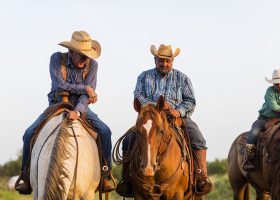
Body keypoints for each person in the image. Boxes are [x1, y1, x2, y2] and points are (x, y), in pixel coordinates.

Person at [15, 31, 115, 194]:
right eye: (82, 55)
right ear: (71, 52)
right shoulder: (56, 59)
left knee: (105, 131)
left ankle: (105, 174)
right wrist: (86, 88)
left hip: (80, 106)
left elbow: (86, 96)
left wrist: (78, 110)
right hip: (56, 103)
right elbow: (59, 84)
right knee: (28, 134)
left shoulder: (93, 65)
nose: (85, 59)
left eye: (87, 55)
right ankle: (25, 175)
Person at [116, 44, 212, 196]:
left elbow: (190, 101)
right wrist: (155, 106)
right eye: (161, 60)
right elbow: (138, 95)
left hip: (176, 117)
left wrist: (177, 111)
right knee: (129, 139)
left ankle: (201, 176)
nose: (164, 64)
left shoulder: (182, 78)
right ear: (155, 60)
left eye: (168, 61)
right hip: (151, 117)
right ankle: (127, 179)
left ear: (172, 61)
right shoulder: (144, 76)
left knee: (198, 138)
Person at [243, 68, 280, 171]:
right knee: (253, 133)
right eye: (276, 84)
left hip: (278, 119)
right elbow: (274, 107)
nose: (279, 86)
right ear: (273, 84)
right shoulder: (269, 91)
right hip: (264, 119)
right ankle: (249, 160)